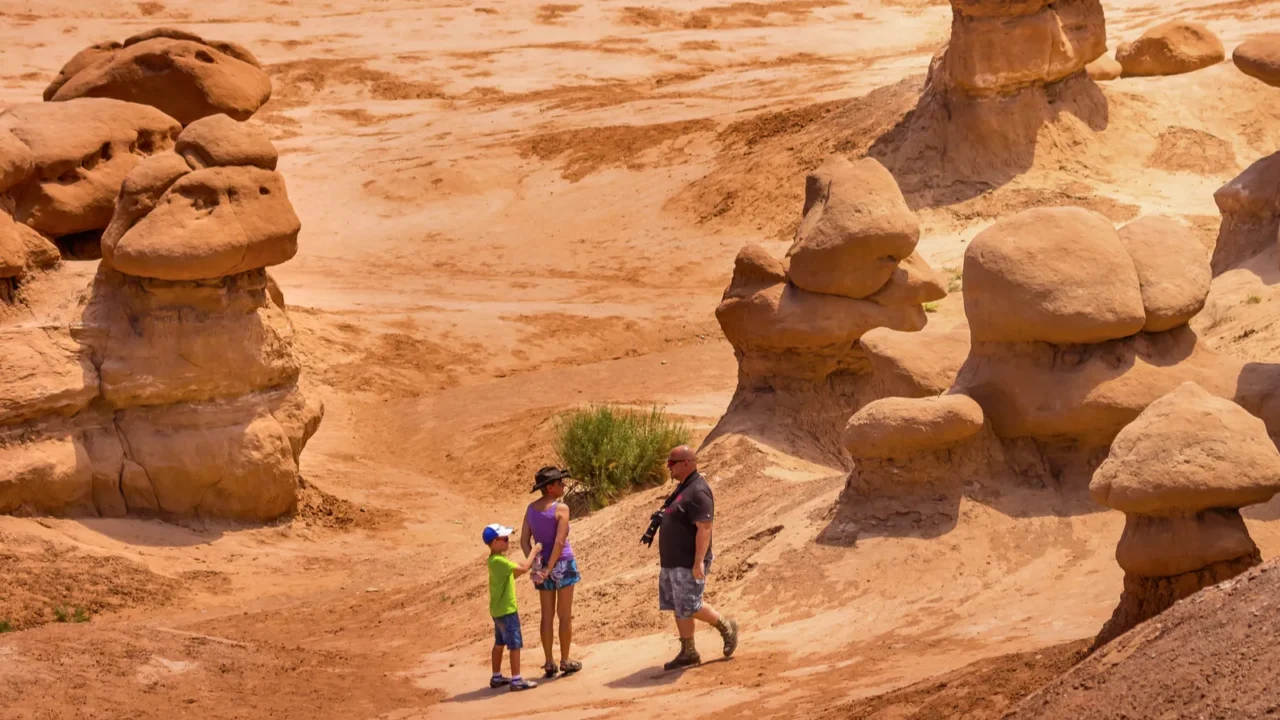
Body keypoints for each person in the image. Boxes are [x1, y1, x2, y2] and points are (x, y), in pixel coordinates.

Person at [657, 445, 739, 670]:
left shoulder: (698, 491)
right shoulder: (684, 488)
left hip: (688, 561)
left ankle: (726, 627)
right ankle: (688, 651)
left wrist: (698, 561)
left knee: (690, 604)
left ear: (687, 463)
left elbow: (705, 528)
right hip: (673, 561)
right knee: (679, 605)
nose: (669, 467)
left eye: (672, 462)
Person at [520, 466, 583, 678]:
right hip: (563, 563)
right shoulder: (561, 509)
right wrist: (550, 567)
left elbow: (524, 540)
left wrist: (537, 564)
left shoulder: (530, 509)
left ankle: (548, 662)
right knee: (564, 615)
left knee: (546, 616)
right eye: (560, 483)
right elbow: (559, 541)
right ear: (550, 488)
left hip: (541, 564)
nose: (563, 485)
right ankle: (565, 660)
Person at [484, 522, 541, 691]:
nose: (508, 542)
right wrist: (534, 551)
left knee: (499, 642)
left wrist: (527, 569)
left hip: (497, 610)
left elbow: (513, 574)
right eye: (505, 539)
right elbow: (523, 567)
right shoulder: (498, 561)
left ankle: (496, 676)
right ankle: (516, 680)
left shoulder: (495, 561)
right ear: (495, 542)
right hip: (507, 610)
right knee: (515, 644)